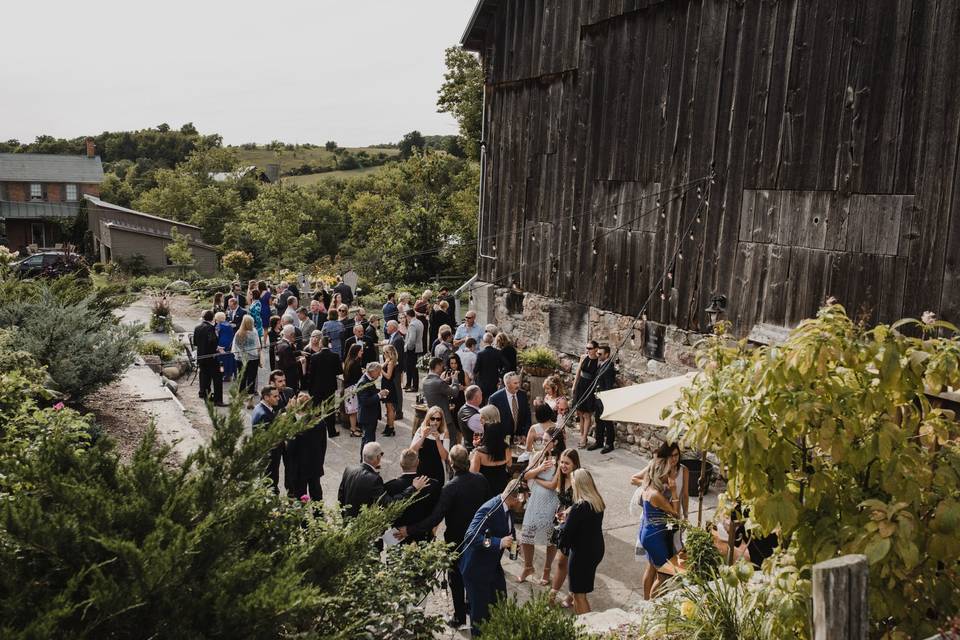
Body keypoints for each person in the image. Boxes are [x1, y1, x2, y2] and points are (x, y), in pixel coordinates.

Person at [458, 479, 526, 636]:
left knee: (500, 603)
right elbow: (470, 536)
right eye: (523, 500)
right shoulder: (489, 509)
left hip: (492, 567)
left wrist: (512, 544)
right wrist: (499, 542)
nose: (524, 503)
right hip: (476, 569)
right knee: (480, 615)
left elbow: (508, 531)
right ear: (514, 498)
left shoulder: (509, 508)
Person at [517, 425, 565, 586]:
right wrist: (539, 468)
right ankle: (528, 566)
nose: (542, 443)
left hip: (551, 502)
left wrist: (537, 478)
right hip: (535, 500)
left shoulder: (560, 460)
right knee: (526, 535)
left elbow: (553, 485)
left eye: (546, 440)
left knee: (549, 538)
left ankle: (546, 570)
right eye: (541, 440)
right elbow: (525, 475)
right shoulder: (538, 455)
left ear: (555, 442)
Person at [557, 469, 606, 614]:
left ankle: (588, 626)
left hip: (582, 553)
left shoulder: (579, 507)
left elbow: (566, 534)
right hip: (595, 549)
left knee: (579, 594)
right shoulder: (597, 501)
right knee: (579, 589)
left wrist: (562, 524)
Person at [338, 442, 428, 519]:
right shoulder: (374, 479)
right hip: (362, 525)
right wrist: (413, 488)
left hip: (347, 519)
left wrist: (344, 516)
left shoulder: (349, 469)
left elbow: (341, 496)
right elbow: (389, 503)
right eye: (381, 454)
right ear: (377, 457)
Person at [638, 456, 680, 599]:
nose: (669, 475)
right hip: (655, 537)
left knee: (651, 568)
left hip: (648, 533)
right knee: (664, 575)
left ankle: (645, 601)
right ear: (661, 474)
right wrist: (674, 491)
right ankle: (651, 607)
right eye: (667, 473)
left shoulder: (648, 488)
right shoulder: (656, 495)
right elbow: (676, 515)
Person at [385, 448, 441, 544]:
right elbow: (437, 513)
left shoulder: (390, 487)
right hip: (422, 536)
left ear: (400, 464)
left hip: (398, 537)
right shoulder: (432, 484)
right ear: (418, 462)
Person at [549, 448, 582, 607]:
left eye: (567, 463)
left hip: (574, 526)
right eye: (561, 462)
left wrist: (568, 513)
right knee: (564, 563)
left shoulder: (579, 480)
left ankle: (564, 595)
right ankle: (561, 594)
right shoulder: (561, 476)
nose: (563, 465)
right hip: (561, 523)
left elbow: (583, 504)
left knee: (565, 562)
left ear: (575, 465)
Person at [284, 391, 327, 500]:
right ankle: (319, 515)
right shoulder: (319, 422)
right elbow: (323, 445)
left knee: (300, 495)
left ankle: (302, 516)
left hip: (299, 468)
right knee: (316, 493)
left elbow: (290, 449)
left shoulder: (295, 424)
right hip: (314, 465)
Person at [305, 335, 342, 438]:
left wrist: (310, 387)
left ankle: (316, 432)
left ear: (321, 343)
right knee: (329, 409)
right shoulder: (335, 356)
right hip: (330, 386)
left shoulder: (314, 357)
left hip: (317, 387)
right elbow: (339, 371)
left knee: (317, 410)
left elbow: (311, 374)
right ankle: (331, 431)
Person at [470, 405, 510, 498]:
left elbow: (472, 474)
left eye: (482, 417)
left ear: (490, 419)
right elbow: (509, 464)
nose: (480, 420)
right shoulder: (506, 448)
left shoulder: (479, 453)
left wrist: (473, 456)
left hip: (485, 491)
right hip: (501, 489)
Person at [252, 385, 283, 493]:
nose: (278, 398)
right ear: (266, 397)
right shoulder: (264, 414)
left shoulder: (260, 408)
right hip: (269, 455)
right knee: (270, 482)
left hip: (266, 454)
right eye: (275, 396)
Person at [422, 357, 460, 444]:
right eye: (442, 366)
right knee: (452, 439)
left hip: (432, 416)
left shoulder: (424, 380)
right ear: (438, 366)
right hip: (444, 418)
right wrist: (455, 379)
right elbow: (454, 393)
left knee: (438, 441)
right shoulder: (439, 382)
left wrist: (443, 381)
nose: (443, 369)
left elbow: (437, 389)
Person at [356, 362, 390, 458]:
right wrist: (379, 395)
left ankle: (366, 462)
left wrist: (380, 392)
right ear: (373, 371)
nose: (379, 375)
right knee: (368, 442)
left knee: (367, 440)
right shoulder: (363, 382)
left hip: (370, 415)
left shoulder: (368, 379)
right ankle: (366, 462)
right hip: (367, 416)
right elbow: (365, 401)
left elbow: (370, 393)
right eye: (378, 372)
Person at [410, 405, 449, 486]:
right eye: (432, 418)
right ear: (428, 419)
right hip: (422, 469)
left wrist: (438, 439)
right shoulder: (421, 430)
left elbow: (445, 457)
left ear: (441, 421)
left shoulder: (444, 433)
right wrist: (423, 436)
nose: (435, 422)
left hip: (437, 470)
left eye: (438, 419)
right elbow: (412, 451)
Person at [589, 344, 618, 453]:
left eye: (600, 354)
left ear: (607, 354)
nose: (598, 355)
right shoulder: (601, 364)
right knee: (598, 420)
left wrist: (605, 398)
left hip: (604, 398)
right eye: (598, 353)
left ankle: (609, 444)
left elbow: (608, 385)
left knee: (607, 421)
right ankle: (599, 441)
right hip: (597, 396)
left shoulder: (609, 367)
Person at [488, 372, 531, 441]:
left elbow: (528, 416)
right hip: (502, 440)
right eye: (515, 383)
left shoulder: (523, 395)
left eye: (518, 382)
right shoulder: (495, 398)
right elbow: (491, 422)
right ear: (507, 384)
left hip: (520, 440)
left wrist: (525, 434)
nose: (518, 385)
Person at [572, 341, 600, 448]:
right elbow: (578, 371)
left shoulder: (598, 361)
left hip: (590, 387)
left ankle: (584, 438)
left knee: (587, 414)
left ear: (596, 349)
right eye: (587, 348)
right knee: (580, 413)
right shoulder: (583, 357)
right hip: (581, 385)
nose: (588, 350)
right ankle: (582, 436)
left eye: (590, 348)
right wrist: (574, 385)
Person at [194, 310, 225, 406]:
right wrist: (217, 349)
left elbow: (195, 342)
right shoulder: (211, 328)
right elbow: (212, 342)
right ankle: (218, 400)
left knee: (204, 375)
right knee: (218, 377)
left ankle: (204, 393)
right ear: (212, 318)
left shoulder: (197, 327)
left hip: (201, 356)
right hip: (211, 357)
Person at [232, 315, 261, 400]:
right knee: (251, 377)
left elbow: (235, 346)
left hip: (241, 358)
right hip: (253, 358)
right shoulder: (254, 332)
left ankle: (240, 395)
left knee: (242, 377)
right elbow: (258, 346)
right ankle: (250, 396)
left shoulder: (238, 333)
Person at [342, 344, 364, 438]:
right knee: (353, 411)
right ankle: (353, 430)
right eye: (361, 351)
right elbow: (358, 378)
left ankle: (354, 427)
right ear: (356, 352)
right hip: (353, 389)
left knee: (353, 410)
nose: (362, 352)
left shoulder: (348, 361)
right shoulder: (355, 364)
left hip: (348, 388)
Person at [473, 333, 501, 403]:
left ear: (484, 341)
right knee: (492, 402)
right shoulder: (497, 352)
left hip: (482, 382)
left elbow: (476, 370)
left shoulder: (480, 354)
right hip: (494, 382)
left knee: (481, 403)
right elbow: (504, 365)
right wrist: (500, 375)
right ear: (492, 341)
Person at [380, 344, 400, 436]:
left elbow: (388, 376)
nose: (383, 354)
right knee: (388, 408)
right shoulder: (387, 360)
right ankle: (388, 426)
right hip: (385, 385)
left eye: (385, 352)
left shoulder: (391, 362)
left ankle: (391, 427)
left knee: (390, 408)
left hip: (389, 386)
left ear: (389, 353)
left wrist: (380, 370)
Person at [276, 325, 302, 392]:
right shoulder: (286, 347)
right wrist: (300, 361)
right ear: (292, 334)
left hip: (281, 373)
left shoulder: (279, 343)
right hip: (289, 377)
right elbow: (289, 364)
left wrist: (299, 353)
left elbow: (285, 356)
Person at [403, 308, 424, 391]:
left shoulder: (412, 325)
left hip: (412, 349)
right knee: (414, 367)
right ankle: (409, 384)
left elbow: (412, 339)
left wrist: (408, 347)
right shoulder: (419, 322)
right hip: (418, 347)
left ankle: (413, 386)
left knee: (411, 367)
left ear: (408, 316)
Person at [457, 385, 484, 451]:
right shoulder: (475, 417)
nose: (482, 396)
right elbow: (486, 431)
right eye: (481, 395)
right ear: (475, 398)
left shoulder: (463, 408)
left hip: (470, 447)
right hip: (475, 451)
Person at [214, 311, 237, 383]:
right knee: (230, 359)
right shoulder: (229, 324)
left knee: (222, 360)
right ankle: (230, 374)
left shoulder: (218, 326)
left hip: (222, 343)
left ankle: (223, 373)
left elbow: (216, 335)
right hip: (230, 343)